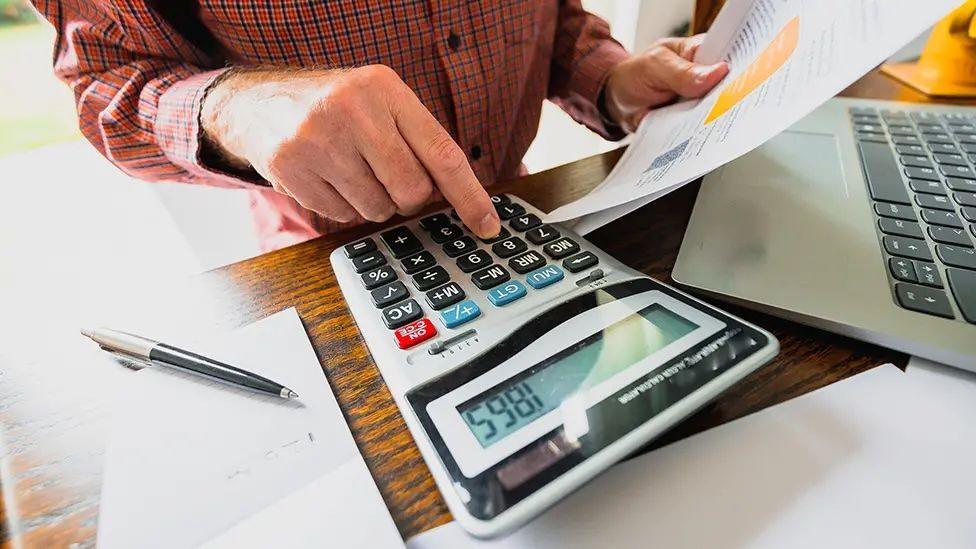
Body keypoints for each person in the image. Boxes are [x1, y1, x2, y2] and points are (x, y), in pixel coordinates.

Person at [33, 1, 727, 250]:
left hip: (531, 218)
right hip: (327, 261)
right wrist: (240, 106)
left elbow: (553, 16)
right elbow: (103, 82)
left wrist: (607, 77)